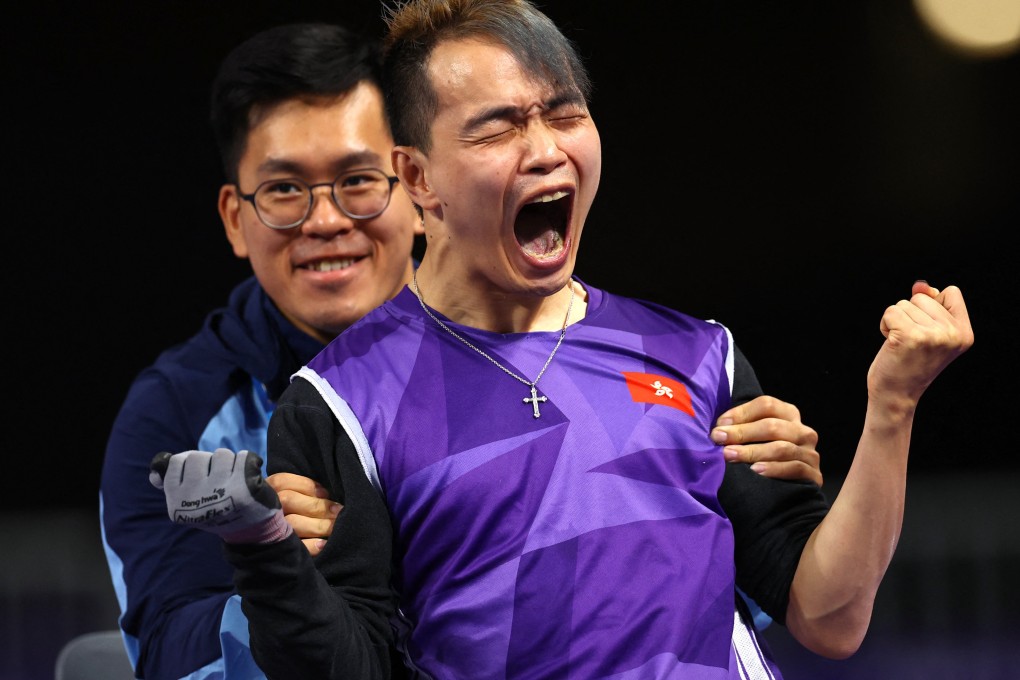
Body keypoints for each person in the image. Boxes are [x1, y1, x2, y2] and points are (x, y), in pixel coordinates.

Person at [149, 1, 974, 678]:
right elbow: (349, 667)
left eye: (564, 114)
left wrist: (892, 405)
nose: (546, 150)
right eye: (499, 127)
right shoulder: (340, 402)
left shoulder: (698, 353)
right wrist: (260, 546)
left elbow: (829, 617)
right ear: (418, 178)